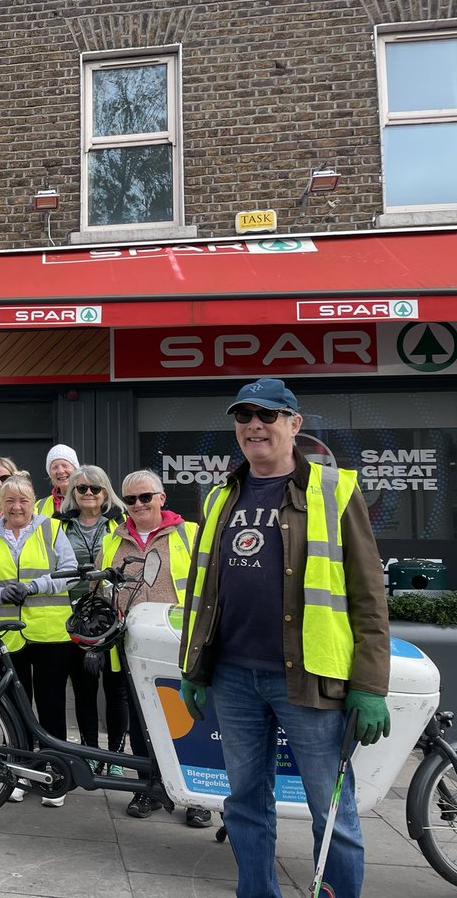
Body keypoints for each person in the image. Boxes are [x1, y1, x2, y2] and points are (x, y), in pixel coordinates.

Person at [178, 378, 390, 897]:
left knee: (331, 811)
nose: (255, 426)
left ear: (294, 425)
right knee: (245, 805)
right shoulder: (220, 495)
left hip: (312, 681)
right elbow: (202, 591)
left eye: (268, 416)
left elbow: (369, 595)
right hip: (232, 677)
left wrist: (370, 684)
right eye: (244, 416)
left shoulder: (334, 489)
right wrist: (194, 668)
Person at [99, 468, 203, 827]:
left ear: (162, 497)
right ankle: (150, 786)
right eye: (130, 499)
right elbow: (104, 591)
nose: (139, 504)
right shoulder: (113, 539)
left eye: (146, 497)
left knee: (187, 718)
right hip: (132, 645)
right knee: (143, 722)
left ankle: (197, 797)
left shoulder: (190, 534)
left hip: (179, 644)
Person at [0, 473, 76, 806]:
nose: (17, 506)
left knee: (51, 705)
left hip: (49, 632)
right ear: (0, 503)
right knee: (16, 708)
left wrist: (36, 586)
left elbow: (70, 572)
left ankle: (56, 773)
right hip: (7, 635)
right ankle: (22, 770)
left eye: (23, 500)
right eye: (10, 500)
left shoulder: (52, 528)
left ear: (33, 501)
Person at [57, 465, 126, 770]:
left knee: (115, 689)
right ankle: (89, 751)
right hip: (75, 617)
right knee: (83, 689)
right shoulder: (60, 526)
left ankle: (115, 755)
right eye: (81, 488)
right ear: (72, 492)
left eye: (95, 489)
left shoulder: (120, 523)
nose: (88, 494)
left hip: (112, 616)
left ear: (105, 493)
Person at [36, 444, 79, 517]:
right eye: (55, 467)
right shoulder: (38, 506)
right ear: (50, 474)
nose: (60, 471)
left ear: (75, 469)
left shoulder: (87, 500)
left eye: (65, 465)